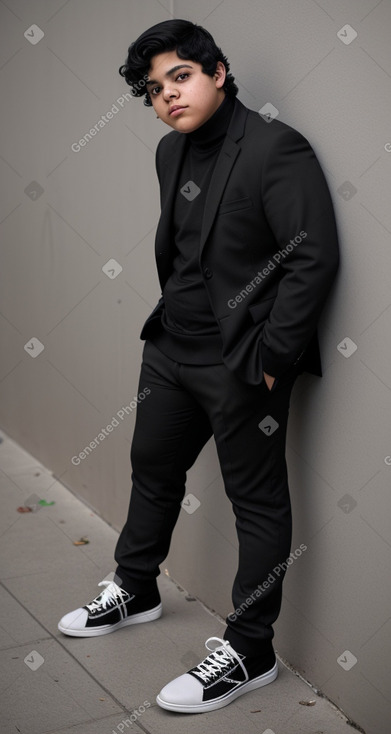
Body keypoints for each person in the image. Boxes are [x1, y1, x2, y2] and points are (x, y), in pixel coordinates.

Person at [58, 19, 339, 714]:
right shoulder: (168, 153)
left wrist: (272, 358)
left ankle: (250, 651)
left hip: (241, 363)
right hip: (169, 350)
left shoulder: (276, 149)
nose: (167, 97)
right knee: (151, 468)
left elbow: (312, 257)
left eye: (179, 77)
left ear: (217, 71)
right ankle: (137, 587)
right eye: (154, 90)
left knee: (257, 502)